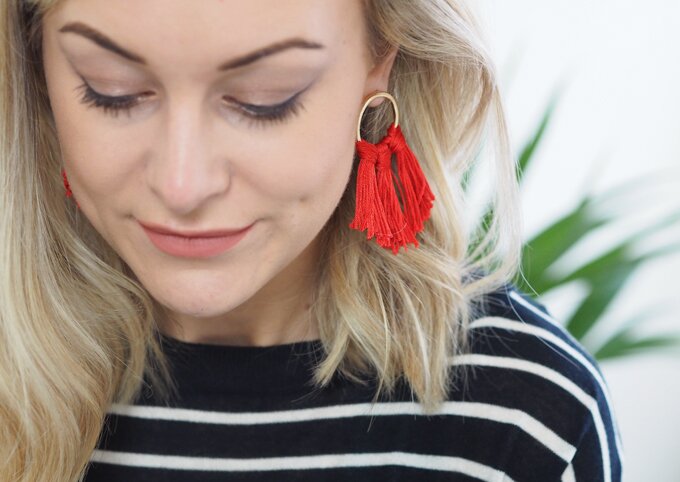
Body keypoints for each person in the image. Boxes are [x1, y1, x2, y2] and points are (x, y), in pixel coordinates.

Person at [0, 0, 623, 481]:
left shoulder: (527, 414)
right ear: (38, 70)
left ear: (379, 58)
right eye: (111, 90)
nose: (182, 184)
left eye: (262, 99)